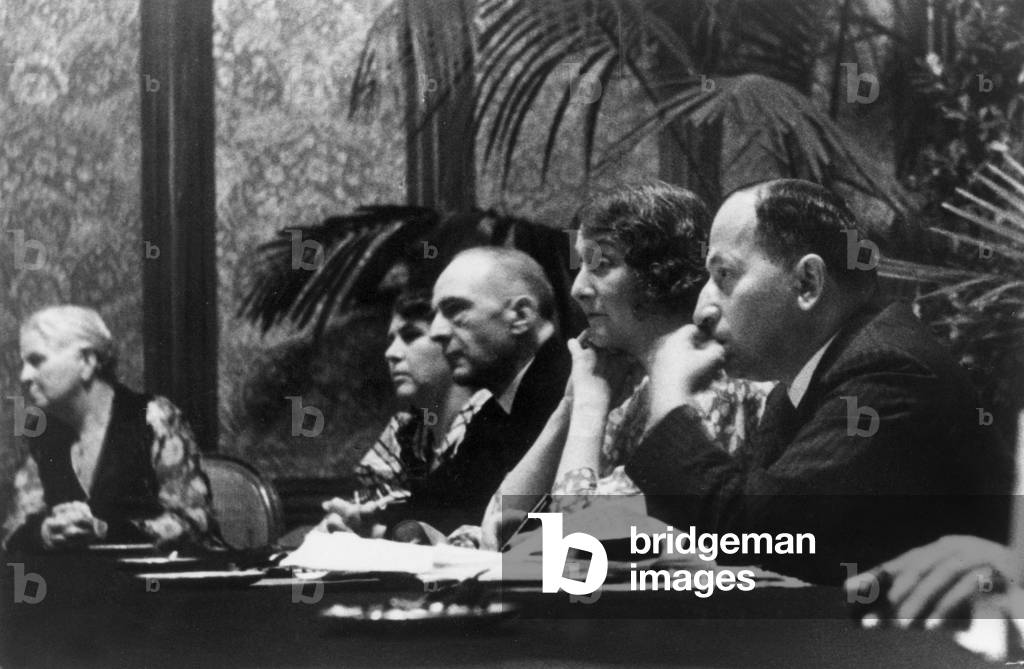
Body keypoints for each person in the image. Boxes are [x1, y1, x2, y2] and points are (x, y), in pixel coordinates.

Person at [623, 179, 1012, 584]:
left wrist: (668, 398)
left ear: (807, 282)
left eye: (725, 275)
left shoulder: (889, 373)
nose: (702, 309)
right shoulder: (809, 379)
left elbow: (755, 535)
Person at [480, 182, 769, 549]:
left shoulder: (713, 391)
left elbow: (577, 549)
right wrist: (568, 408)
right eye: (581, 265)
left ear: (661, 275)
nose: (578, 289)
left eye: (601, 264)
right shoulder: (632, 391)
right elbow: (495, 528)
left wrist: (588, 406)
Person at [3, 305, 219, 551]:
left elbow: (196, 523)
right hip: (74, 586)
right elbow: (13, 530)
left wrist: (103, 530)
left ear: (86, 361)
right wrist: (45, 532)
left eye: (36, 360)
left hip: (151, 586)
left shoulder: (153, 417)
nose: (24, 375)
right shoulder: (43, 434)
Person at [410, 247, 571, 535]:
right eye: (436, 314)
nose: (435, 331)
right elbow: (440, 502)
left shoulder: (571, 390)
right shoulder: (499, 404)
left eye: (455, 310)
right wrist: (371, 520)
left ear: (521, 315)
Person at [316, 291, 490, 536]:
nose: (391, 353)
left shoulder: (490, 418)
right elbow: (369, 507)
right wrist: (346, 522)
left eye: (411, 336)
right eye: (390, 340)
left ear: (449, 342)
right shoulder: (406, 431)